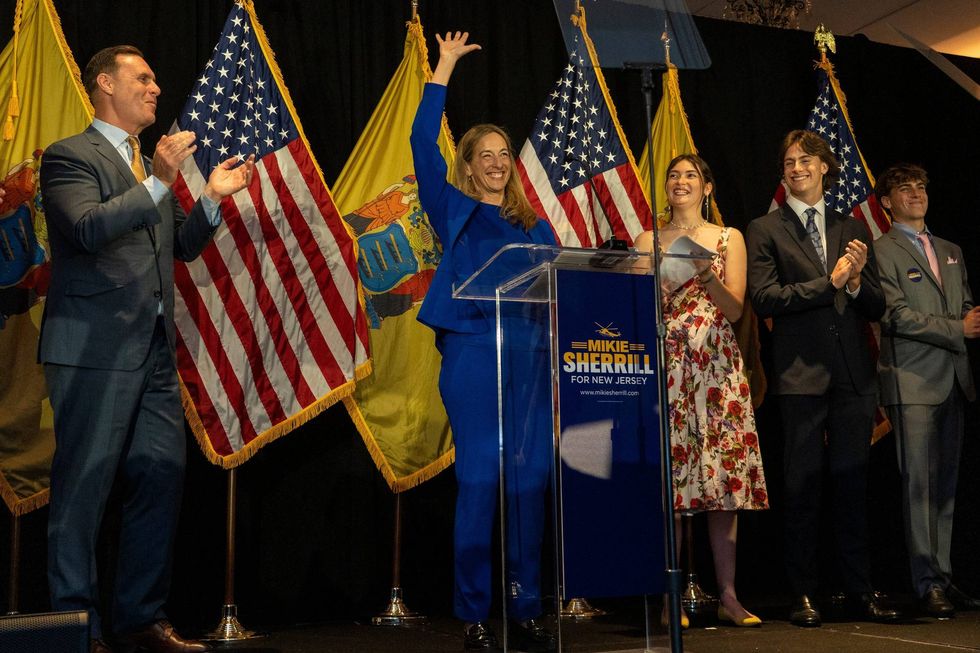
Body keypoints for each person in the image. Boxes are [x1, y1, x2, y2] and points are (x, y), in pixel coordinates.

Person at [39, 45, 254, 653]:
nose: (157, 88)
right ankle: (77, 629)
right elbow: (86, 228)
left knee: (160, 478)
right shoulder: (68, 156)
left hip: (155, 350)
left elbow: (180, 247)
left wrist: (209, 197)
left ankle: (140, 617)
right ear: (105, 83)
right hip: (91, 351)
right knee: (83, 488)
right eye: (144, 78)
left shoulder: (147, 163)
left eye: (157, 78)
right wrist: (159, 181)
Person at [411, 32, 557, 652]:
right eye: (486, 154)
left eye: (504, 154)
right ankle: (474, 609)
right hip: (473, 349)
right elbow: (422, 144)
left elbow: (565, 280)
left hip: (532, 354)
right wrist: (442, 68)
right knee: (480, 479)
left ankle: (525, 607)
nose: (497, 162)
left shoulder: (535, 224)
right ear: (469, 165)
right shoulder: (454, 210)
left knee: (530, 481)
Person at [745, 130, 897, 627]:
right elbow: (766, 299)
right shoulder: (765, 228)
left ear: (825, 167)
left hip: (853, 375)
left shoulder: (851, 224)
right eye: (788, 161)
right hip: (800, 374)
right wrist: (826, 283)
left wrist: (854, 284)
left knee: (852, 486)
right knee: (803, 487)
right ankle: (803, 592)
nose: (795, 168)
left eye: (805, 160)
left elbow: (876, 303)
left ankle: (860, 589)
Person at [635, 155, 768, 629]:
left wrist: (704, 273)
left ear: (707, 187)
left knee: (722, 481)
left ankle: (729, 596)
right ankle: (670, 597)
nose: (681, 181)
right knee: (674, 481)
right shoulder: (646, 240)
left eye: (691, 175)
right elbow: (634, 309)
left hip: (717, 368)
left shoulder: (728, 238)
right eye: (674, 175)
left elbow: (734, 310)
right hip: (668, 365)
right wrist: (663, 287)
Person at [873, 163, 980, 618]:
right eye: (904, 188)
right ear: (885, 202)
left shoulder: (951, 249)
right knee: (920, 486)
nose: (916, 193)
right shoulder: (881, 250)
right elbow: (894, 315)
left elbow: (965, 303)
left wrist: (971, 315)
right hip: (912, 381)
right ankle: (925, 582)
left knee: (947, 488)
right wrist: (959, 327)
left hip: (954, 379)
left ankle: (943, 575)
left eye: (920, 186)